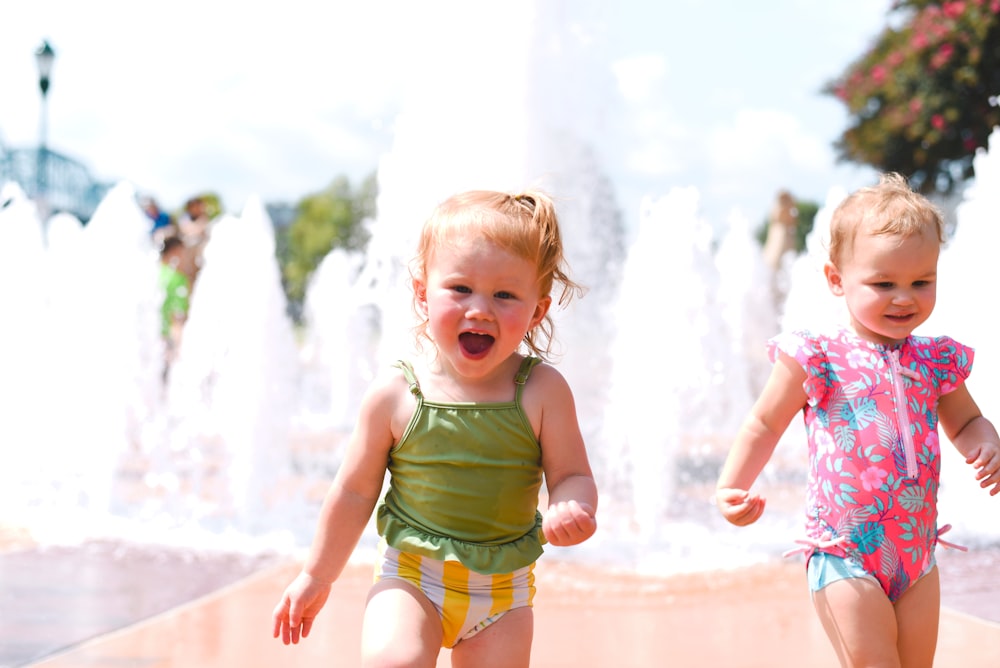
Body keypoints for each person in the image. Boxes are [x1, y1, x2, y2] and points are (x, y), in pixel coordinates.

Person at [271, 189, 599, 666]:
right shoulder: (396, 394)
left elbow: (573, 473)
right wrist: (317, 576)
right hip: (410, 579)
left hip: (503, 595)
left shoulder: (542, 391)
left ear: (537, 311)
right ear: (423, 292)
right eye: (460, 289)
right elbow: (355, 492)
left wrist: (572, 504)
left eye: (505, 295)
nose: (480, 309)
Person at [715, 172, 1000, 667]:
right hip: (843, 551)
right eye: (883, 283)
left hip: (916, 554)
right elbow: (763, 423)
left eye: (921, 282)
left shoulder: (935, 360)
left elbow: (967, 421)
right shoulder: (818, 355)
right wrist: (731, 486)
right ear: (835, 280)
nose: (904, 297)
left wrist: (987, 443)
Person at [159, 234, 191, 375]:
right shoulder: (177, 279)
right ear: (174, 252)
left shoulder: (150, 272)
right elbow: (177, 319)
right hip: (165, 342)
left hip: (149, 340)